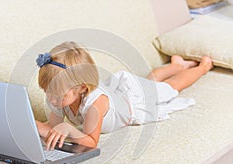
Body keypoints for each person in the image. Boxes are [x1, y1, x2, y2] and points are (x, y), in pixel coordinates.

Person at [35, 41, 213, 150]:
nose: (52, 100)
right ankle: (177, 66)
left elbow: (90, 142)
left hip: (132, 105)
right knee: (150, 81)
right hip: (119, 94)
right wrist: (31, 124)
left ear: (81, 88)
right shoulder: (58, 94)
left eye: (58, 96)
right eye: (47, 92)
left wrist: (68, 129)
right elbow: (52, 127)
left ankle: (202, 68)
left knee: (168, 88)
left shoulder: (95, 105)